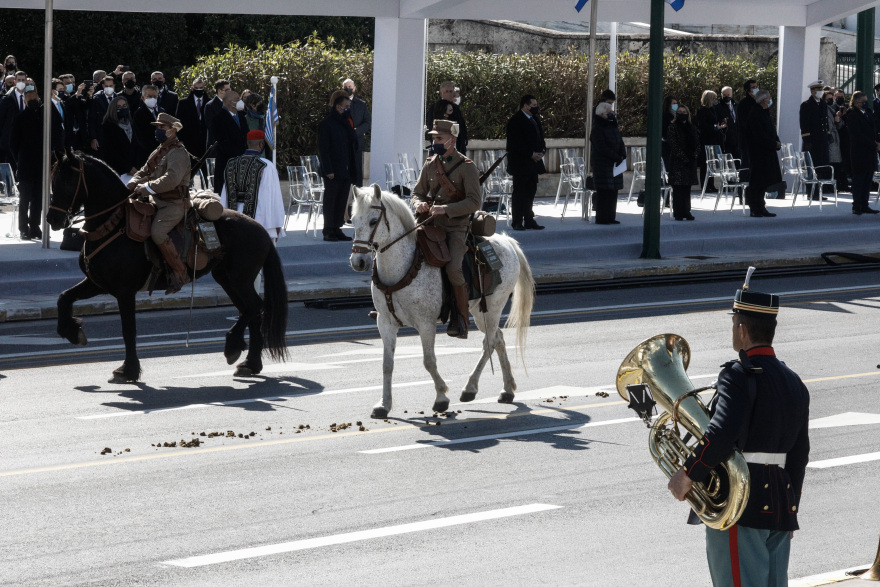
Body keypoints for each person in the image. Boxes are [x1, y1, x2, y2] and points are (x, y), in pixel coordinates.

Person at [668, 267, 810, 587]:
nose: (733, 330)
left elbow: (721, 432)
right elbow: (800, 455)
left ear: (742, 330)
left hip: (740, 501)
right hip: (780, 502)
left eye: (734, 324)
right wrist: (791, 509)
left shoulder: (737, 374)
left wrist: (688, 473)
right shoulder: (794, 381)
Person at [410, 119, 482, 339]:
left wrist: (446, 209)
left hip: (455, 227)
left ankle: (461, 318)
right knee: (403, 254)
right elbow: (417, 193)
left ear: (452, 140)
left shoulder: (467, 167)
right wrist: (418, 204)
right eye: (433, 138)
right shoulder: (430, 164)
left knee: (453, 268)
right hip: (429, 223)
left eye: (439, 138)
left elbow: (474, 202)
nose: (435, 142)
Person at [126, 113, 192, 294]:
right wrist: (132, 183)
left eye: (162, 128)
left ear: (173, 130)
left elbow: (171, 179)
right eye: (157, 128)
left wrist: (146, 188)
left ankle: (180, 272)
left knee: (157, 232)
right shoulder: (160, 150)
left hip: (173, 203)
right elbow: (144, 170)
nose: (158, 131)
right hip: (155, 200)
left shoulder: (178, 152)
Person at [10, 89, 62, 240]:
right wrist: (19, 160)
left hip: (42, 165)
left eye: (35, 98)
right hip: (26, 164)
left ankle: (35, 226)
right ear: (25, 101)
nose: (33, 101)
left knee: (38, 199)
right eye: (30, 99)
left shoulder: (44, 116)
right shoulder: (20, 118)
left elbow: (58, 126)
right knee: (25, 199)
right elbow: (13, 143)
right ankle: (23, 228)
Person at [220, 129, 286, 241]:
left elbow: (225, 195)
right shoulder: (266, 166)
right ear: (261, 145)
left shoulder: (231, 163)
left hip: (234, 220)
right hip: (259, 222)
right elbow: (272, 197)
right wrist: (277, 224)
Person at [317, 89, 360, 242]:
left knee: (342, 199)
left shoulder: (345, 123)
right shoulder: (326, 124)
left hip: (346, 168)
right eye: (346, 106)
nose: (348, 109)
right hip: (333, 170)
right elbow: (324, 149)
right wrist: (328, 169)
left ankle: (337, 228)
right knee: (331, 199)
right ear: (338, 107)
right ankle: (328, 229)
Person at [506, 94, 546, 230]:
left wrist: (542, 151)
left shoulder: (535, 119)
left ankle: (529, 219)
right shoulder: (515, 120)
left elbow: (540, 138)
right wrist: (531, 154)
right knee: (519, 192)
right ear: (525, 105)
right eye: (533, 105)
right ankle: (517, 221)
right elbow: (515, 144)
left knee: (530, 191)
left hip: (533, 164)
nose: (536, 108)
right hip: (520, 163)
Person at [744, 90, 781, 218]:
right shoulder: (755, 113)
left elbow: (771, 130)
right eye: (769, 97)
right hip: (758, 153)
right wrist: (773, 143)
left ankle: (761, 206)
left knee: (763, 181)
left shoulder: (764, 112)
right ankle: (754, 207)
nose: (770, 99)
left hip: (767, 152)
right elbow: (758, 135)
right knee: (757, 181)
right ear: (763, 100)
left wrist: (777, 142)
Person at [844, 91, 880, 215]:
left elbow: (873, 129)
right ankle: (857, 205)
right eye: (863, 101)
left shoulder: (868, 113)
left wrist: (876, 142)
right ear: (856, 102)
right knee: (859, 179)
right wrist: (873, 144)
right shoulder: (852, 114)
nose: (865, 103)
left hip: (870, 152)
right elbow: (856, 134)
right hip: (859, 152)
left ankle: (865, 204)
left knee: (868, 179)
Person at [589, 102, 626, 225]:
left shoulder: (613, 126)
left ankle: (611, 216)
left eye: (612, 112)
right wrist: (615, 156)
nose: (611, 115)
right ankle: (602, 217)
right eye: (608, 113)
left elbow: (620, 141)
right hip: (602, 164)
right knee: (604, 191)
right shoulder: (597, 129)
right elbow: (601, 147)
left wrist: (622, 154)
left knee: (613, 190)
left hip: (615, 164)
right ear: (601, 114)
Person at [210, 89, 248, 194]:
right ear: (231, 103)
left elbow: (246, 137)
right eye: (238, 99)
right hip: (227, 166)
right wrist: (240, 155)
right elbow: (224, 144)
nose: (241, 101)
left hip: (242, 166)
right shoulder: (218, 119)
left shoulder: (242, 117)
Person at [666, 103, 699, 221]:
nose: (682, 114)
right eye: (679, 112)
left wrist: (694, 156)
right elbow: (673, 145)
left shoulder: (692, 127)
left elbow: (697, 143)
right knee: (678, 188)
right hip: (677, 162)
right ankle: (678, 212)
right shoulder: (672, 127)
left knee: (687, 188)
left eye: (684, 112)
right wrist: (684, 158)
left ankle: (687, 210)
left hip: (690, 161)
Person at [800, 80, 832, 197]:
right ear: (812, 91)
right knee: (811, 167)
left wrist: (828, 135)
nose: (820, 91)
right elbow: (804, 124)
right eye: (818, 89)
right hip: (812, 141)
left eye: (821, 89)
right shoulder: (806, 105)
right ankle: (811, 192)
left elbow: (825, 122)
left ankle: (819, 191)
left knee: (821, 166)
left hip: (822, 140)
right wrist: (807, 140)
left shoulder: (822, 103)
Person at [99, 95, 139, 183]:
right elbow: (110, 151)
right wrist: (127, 167)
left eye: (124, 106)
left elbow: (135, 146)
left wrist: (134, 166)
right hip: (117, 171)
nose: (122, 109)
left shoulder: (131, 124)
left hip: (133, 171)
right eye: (119, 107)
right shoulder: (107, 126)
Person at [696, 90, 726, 193]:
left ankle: (711, 185)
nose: (715, 100)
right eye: (713, 98)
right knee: (705, 163)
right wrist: (715, 127)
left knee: (712, 162)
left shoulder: (714, 109)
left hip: (714, 139)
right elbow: (702, 125)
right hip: (706, 139)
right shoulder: (702, 110)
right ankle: (705, 185)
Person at [343, 78, 371, 187]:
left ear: (354, 88)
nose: (348, 89)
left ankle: (358, 196)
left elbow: (367, 123)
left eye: (350, 87)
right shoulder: (338, 104)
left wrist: (357, 131)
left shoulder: (361, 104)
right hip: (342, 144)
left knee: (357, 173)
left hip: (357, 144)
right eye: (346, 87)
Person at [427, 81, 468, 155]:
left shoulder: (456, 108)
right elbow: (431, 125)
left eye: (451, 91)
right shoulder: (435, 107)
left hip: (457, 145)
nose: (449, 93)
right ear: (441, 93)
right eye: (447, 91)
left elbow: (461, 127)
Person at [0, 70, 29, 169]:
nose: (21, 82)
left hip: (25, 140)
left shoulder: (31, 98)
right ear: (15, 82)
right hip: (9, 141)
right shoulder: (7, 99)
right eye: (19, 80)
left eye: (23, 80)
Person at [174, 77, 208, 160]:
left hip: (205, 143)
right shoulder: (183, 103)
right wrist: (180, 139)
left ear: (204, 88)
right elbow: (178, 122)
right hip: (188, 142)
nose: (199, 90)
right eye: (196, 88)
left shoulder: (209, 103)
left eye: (201, 88)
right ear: (192, 88)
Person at [132, 84, 163, 168]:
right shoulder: (139, 114)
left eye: (155, 97)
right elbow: (140, 138)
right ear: (143, 98)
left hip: (161, 156)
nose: (152, 99)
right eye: (149, 96)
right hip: (146, 156)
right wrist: (156, 150)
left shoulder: (161, 111)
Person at [88, 75, 116, 153]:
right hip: (101, 136)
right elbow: (91, 120)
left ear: (114, 86)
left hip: (116, 136)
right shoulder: (96, 99)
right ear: (103, 86)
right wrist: (93, 138)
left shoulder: (119, 98)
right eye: (106, 86)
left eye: (110, 86)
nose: (108, 88)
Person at [737, 79, 759, 174]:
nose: (756, 89)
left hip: (758, 140)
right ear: (748, 90)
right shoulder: (743, 104)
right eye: (753, 87)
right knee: (746, 164)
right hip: (747, 140)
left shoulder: (759, 102)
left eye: (756, 87)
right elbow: (744, 123)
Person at [833, 89, 851, 192]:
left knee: (845, 162)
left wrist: (845, 114)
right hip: (837, 138)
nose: (840, 98)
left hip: (846, 139)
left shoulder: (847, 108)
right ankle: (838, 184)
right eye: (838, 96)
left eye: (842, 96)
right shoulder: (832, 108)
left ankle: (844, 184)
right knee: (838, 163)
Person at [204, 79, 230, 149]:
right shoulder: (210, 106)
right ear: (220, 91)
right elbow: (211, 126)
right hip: (216, 147)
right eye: (227, 90)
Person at [715, 86, 740, 160]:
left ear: (732, 94)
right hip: (726, 139)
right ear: (721, 94)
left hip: (738, 138)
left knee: (738, 160)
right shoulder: (717, 107)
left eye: (728, 95)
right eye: (724, 95)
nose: (726, 97)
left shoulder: (737, 105)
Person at [661, 96, 678, 168]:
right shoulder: (666, 116)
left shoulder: (675, 116)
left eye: (676, 103)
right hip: (667, 146)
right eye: (673, 103)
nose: (676, 105)